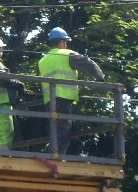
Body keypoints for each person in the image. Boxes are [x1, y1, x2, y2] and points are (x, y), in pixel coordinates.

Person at [37, 27, 105, 156]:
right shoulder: (67, 55)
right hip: (63, 97)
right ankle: (57, 157)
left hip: (49, 100)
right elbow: (90, 64)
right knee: (63, 130)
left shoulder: (43, 60)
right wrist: (101, 79)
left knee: (53, 130)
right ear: (62, 42)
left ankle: (53, 154)